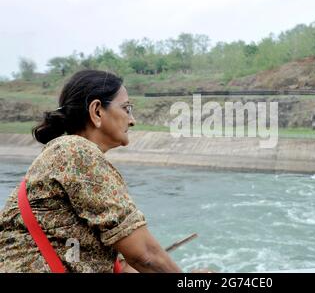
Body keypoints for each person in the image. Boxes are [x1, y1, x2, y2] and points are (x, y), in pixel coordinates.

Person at [0, 70, 183, 273]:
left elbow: (121, 265)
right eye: (126, 108)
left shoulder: (66, 153)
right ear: (96, 111)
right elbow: (145, 255)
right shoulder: (76, 152)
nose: (132, 120)